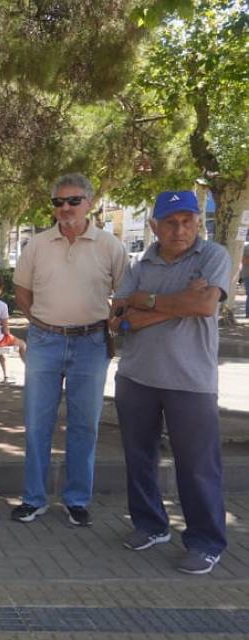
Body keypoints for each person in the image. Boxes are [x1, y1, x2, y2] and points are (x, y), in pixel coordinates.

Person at [110, 190, 230, 575]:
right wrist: (177, 303)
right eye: (171, 222)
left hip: (190, 381)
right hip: (136, 377)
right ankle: (150, 525)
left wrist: (145, 302)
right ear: (154, 226)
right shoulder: (140, 263)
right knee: (139, 458)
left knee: (197, 466)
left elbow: (205, 306)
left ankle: (206, 542)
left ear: (198, 221)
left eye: (188, 221)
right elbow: (118, 319)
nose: (181, 230)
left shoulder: (213, 256)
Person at [11, 173, 127, 526]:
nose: (65, 207)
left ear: (89, 203)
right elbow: (22, 292)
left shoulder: (110, 245)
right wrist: (41, 323)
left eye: (73, 200)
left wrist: (112, 322)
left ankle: (76, 500)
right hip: (44, 342)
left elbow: (124, 295)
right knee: (37, 424)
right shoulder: (37, 245)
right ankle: (33, 498)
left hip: (91, 344)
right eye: (58, 202)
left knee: (84, 426)